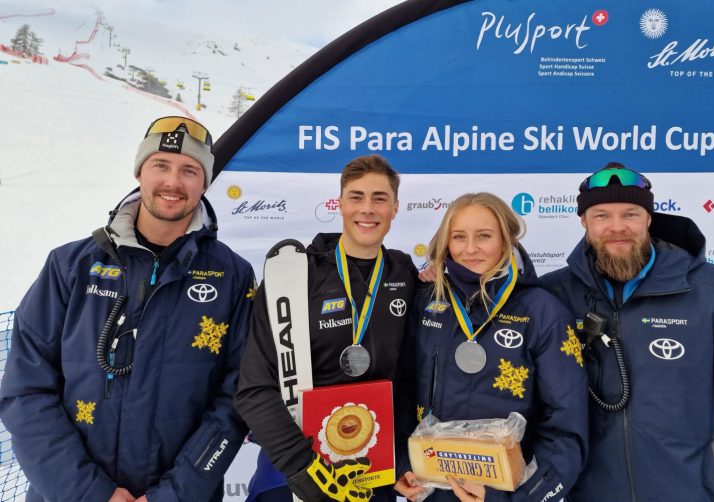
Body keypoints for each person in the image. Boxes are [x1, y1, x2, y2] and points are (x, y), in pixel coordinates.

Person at [0, 116, 256, 502]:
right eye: (161, 165)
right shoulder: (70, 266)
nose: (173, 182)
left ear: (204, 182)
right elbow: (25, 391)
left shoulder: (232, 276)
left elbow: (236, 399)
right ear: (140, 172)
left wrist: (174, 495)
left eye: (189, 170)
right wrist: (89, 493)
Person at [539, 162, 714, 502]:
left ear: (648, 218)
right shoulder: (553, 295)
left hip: (691, 493)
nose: (617, 228)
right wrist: (432, 278)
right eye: (601, 216)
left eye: (630, 214)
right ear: (584, 222)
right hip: (587, 494)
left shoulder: (711, 288)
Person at [235, 154, 419, 502]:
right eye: (356, 197)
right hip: (297, 473)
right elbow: (254, 387)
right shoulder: (293, 275)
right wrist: (301, 468)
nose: (367, 209)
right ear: (339, 203)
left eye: (380, 198)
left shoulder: (404, 274)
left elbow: (410, 376)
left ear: (395, 207)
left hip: (372, 473)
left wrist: (401, 459)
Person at [394, 192, 588, 502]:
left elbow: (567, 421)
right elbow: (402, 388)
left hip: (503, 493)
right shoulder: (428, 301)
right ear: (446, 243)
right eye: (459, 237)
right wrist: (402, 463)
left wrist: (517, 498)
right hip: (432, 488)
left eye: (484, 236)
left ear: (506, 239)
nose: (470, 249)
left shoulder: (542, 311)